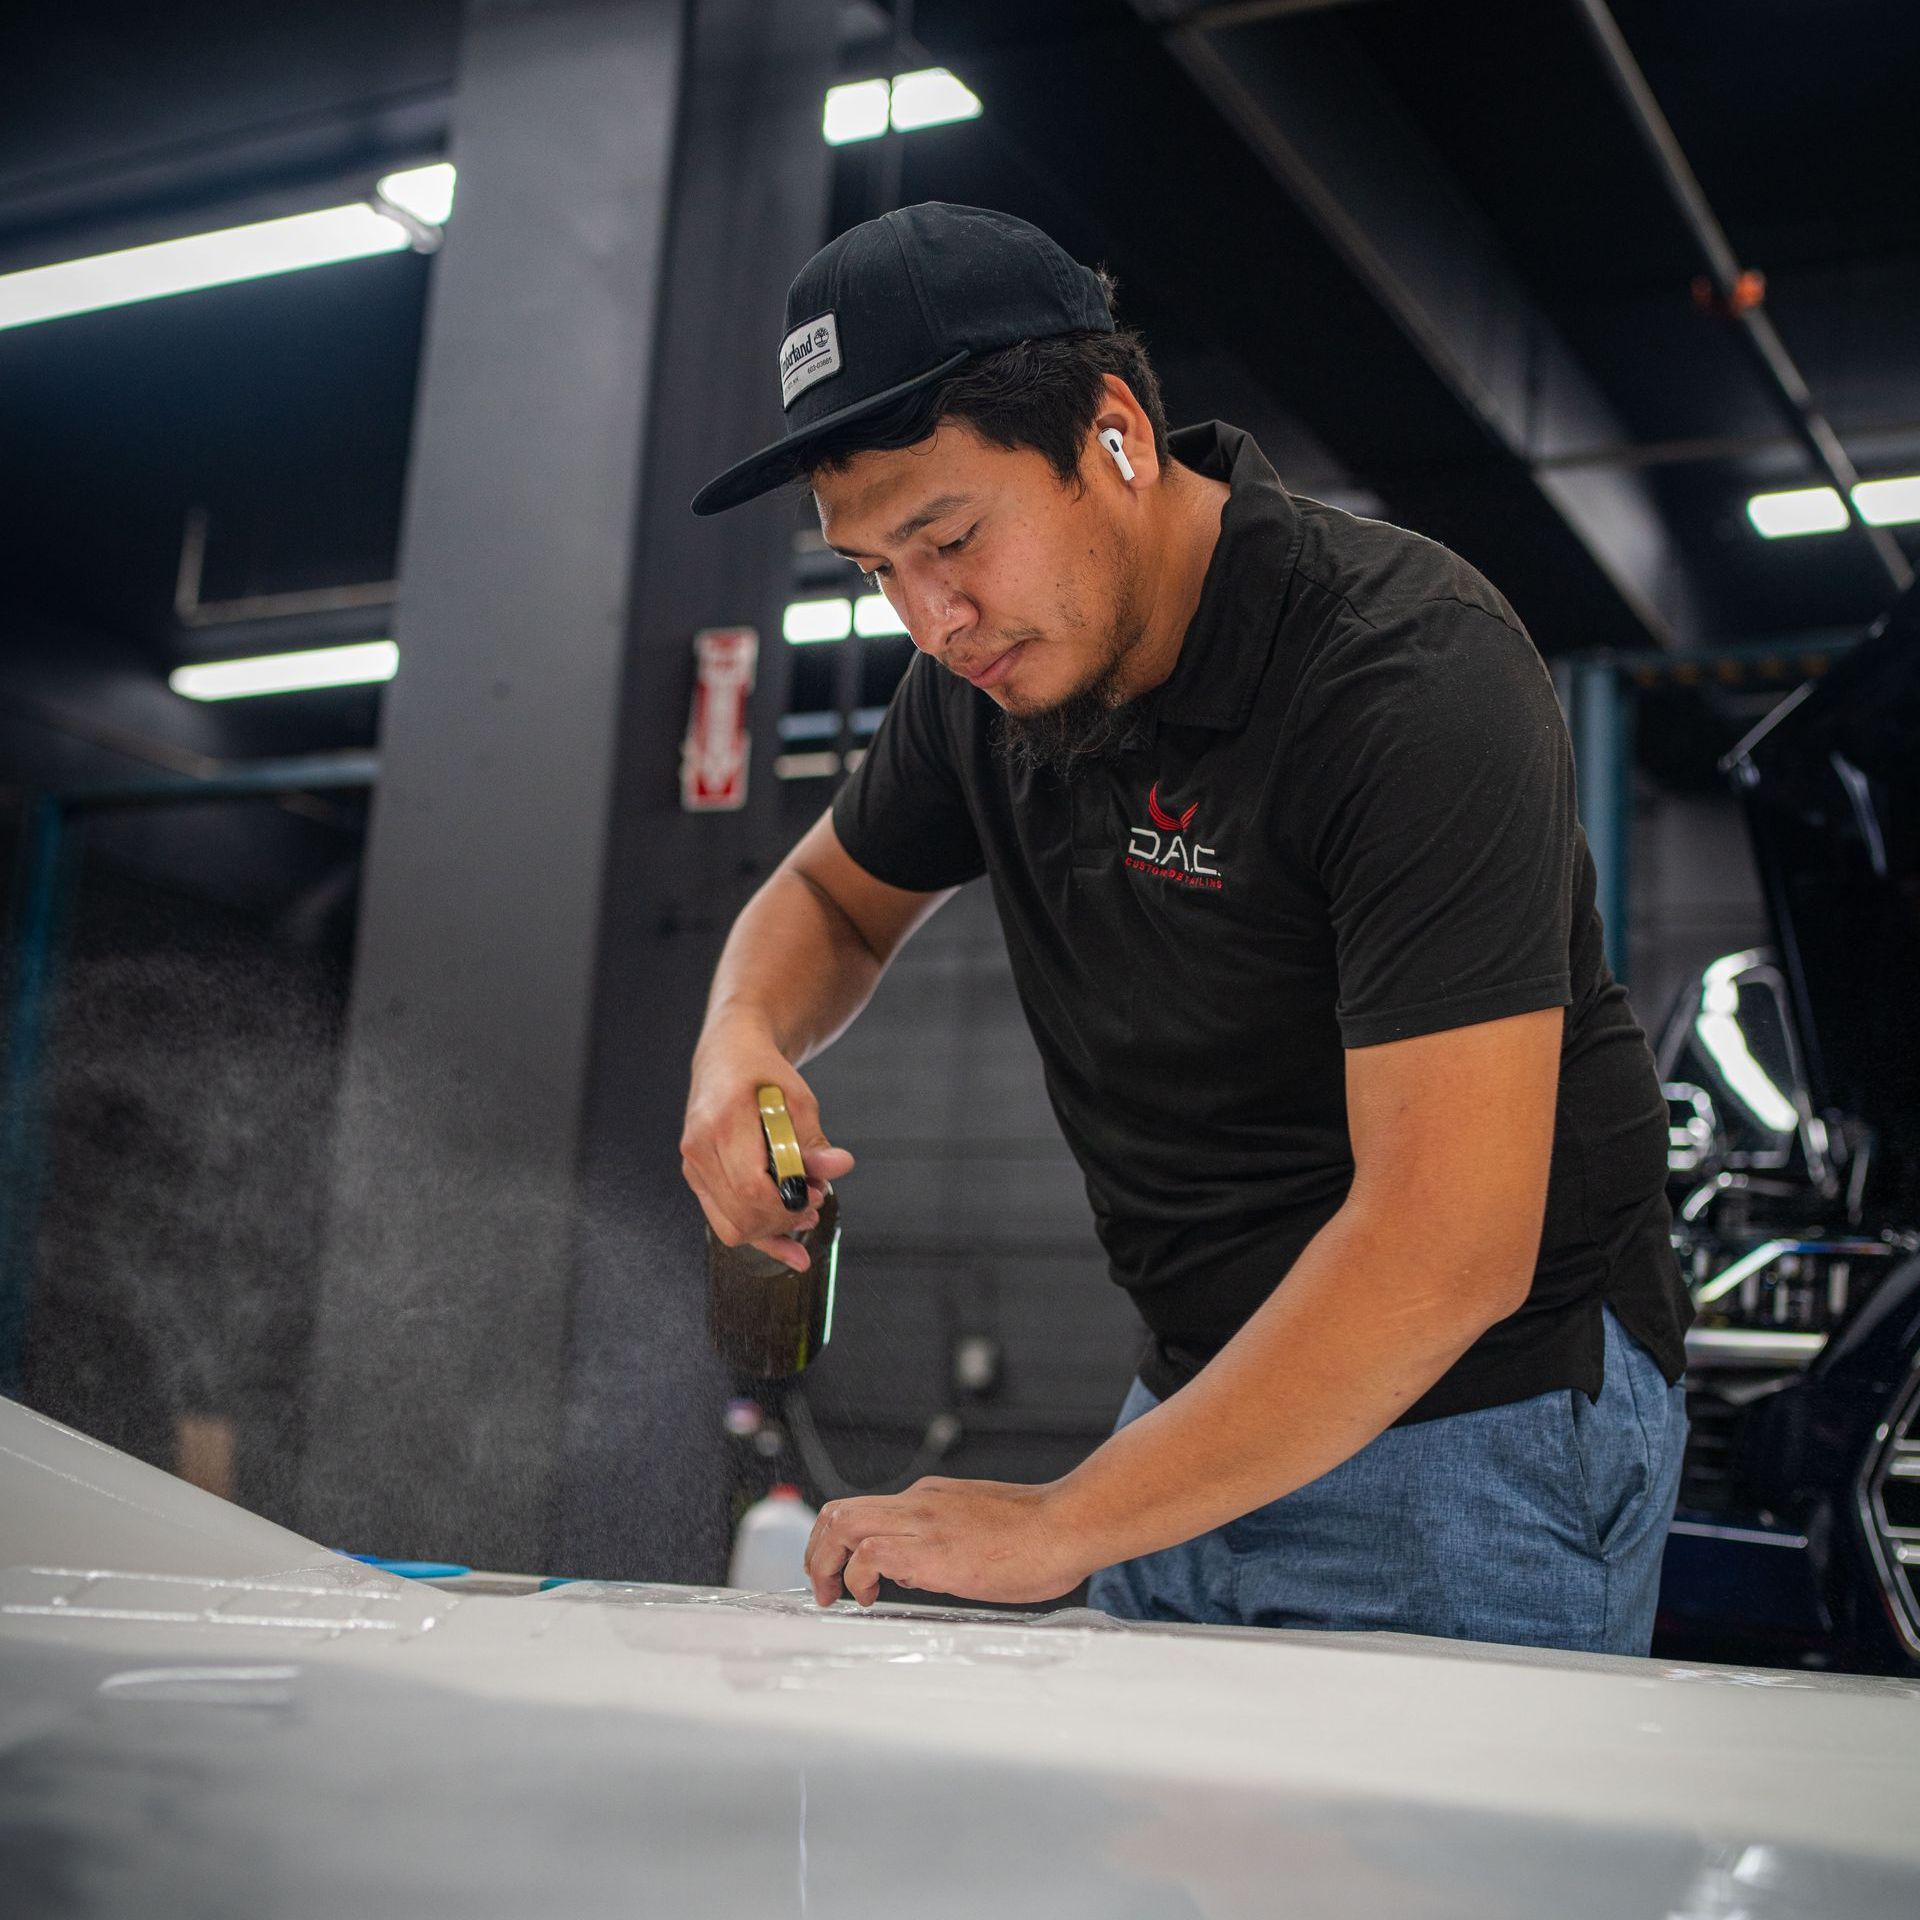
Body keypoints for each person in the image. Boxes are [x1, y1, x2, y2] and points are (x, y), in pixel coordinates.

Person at [682, 202, 1692, 1655]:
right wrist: (740, 1039)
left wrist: (1063, 1521)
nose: (933, 618)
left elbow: (1447, 1246)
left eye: (949, 537)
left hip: (1481, 1416)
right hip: (1193, 1409)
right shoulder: (977, 684)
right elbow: (832, 898)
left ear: (1114, 437)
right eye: (874, 575)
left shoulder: (1404, 674)